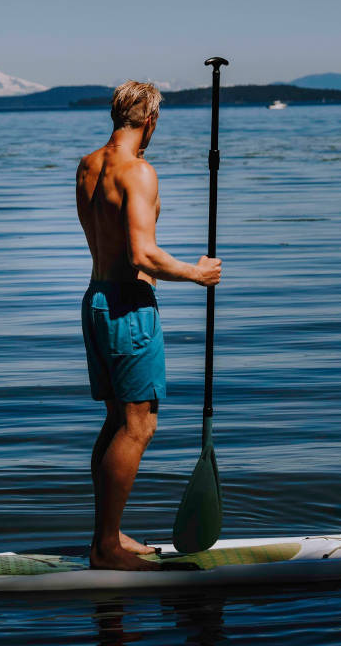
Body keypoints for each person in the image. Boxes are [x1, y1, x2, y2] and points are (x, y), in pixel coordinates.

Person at [75, 80, 222, 571]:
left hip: (95, 299)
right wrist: (196, 273)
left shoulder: (89, 164)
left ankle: (107, 537)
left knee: (116, 420)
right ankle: (107, 549)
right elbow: (143, 253)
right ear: (151, 120)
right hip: (128, 307)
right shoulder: (138, 172)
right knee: (139, 425)